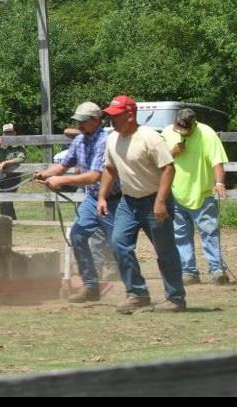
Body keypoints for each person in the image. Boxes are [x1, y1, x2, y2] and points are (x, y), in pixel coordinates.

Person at [98, 95, 185, 314]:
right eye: (110, 115)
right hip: (129, 201)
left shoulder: (149, 138)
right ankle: (137, 294)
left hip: (154, 199)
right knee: (118, 243)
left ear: (130, 115)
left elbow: (168, 168)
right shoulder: (112, 139)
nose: (111, 120)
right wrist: (101, 197)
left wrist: (161, 202)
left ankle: (175, 298)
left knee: (164, 250)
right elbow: (110, 169)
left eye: (115, 116)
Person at [34, 102, 121, 303]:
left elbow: (95, 176)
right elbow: (64, 165)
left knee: (119, 244)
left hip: (113, 200)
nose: (79, 125)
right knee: (78, 236)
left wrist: (60, 181)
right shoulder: (80, 140)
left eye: (83, 121)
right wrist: (45, 174)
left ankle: (135, 289)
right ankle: (90, 285)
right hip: (92, 198)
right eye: (78, 121)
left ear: (96, 120)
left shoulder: (105, 141)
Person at [162, 108, 231, 285]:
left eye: (185, 129)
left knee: (209, 232)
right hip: (176, 193)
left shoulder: (207, 134)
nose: (181, 132)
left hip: (203, 193)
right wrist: (173, 152)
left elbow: (217, 161)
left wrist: (219, 183)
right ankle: (189, 271)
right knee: (181, 235)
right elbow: (158, 160)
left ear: (194, 124)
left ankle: (217, 270)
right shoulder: (167, 132)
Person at [0, 123, 25, 220]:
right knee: (2, 198)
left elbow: (21, 158)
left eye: (10, 132)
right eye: (6, 133)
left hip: (13, 175)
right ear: (3, 134)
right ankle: (8, 220)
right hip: (1, 175)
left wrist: (7, 163)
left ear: (14, 133)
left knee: (6, 198)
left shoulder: (19, 144)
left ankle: (8, 220)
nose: (8, 134)